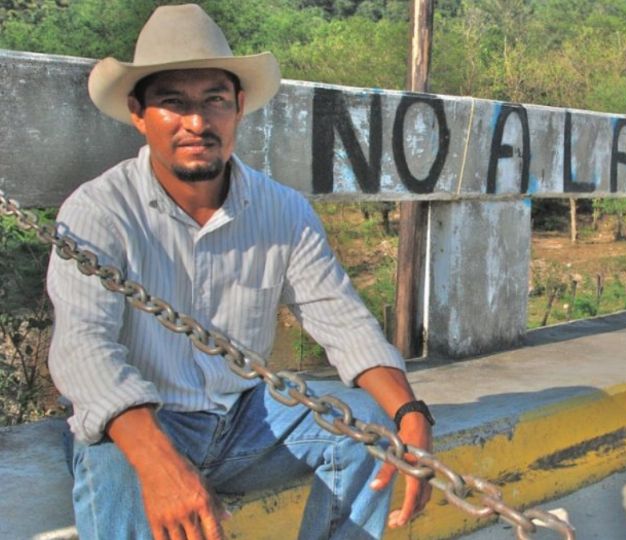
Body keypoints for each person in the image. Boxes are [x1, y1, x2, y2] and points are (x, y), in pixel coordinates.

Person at [46, 4, 433, 539]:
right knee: (113, 456)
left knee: (369, 429)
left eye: (214, 101)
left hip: (246, 421)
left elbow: (343, 322)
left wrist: (410, 412)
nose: (197, 122)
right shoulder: (98, 210)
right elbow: (83, 349)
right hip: (143, 424)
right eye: (172, 103)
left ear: (239, 107)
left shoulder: (283, 211)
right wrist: (161, 465)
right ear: (138, 112)